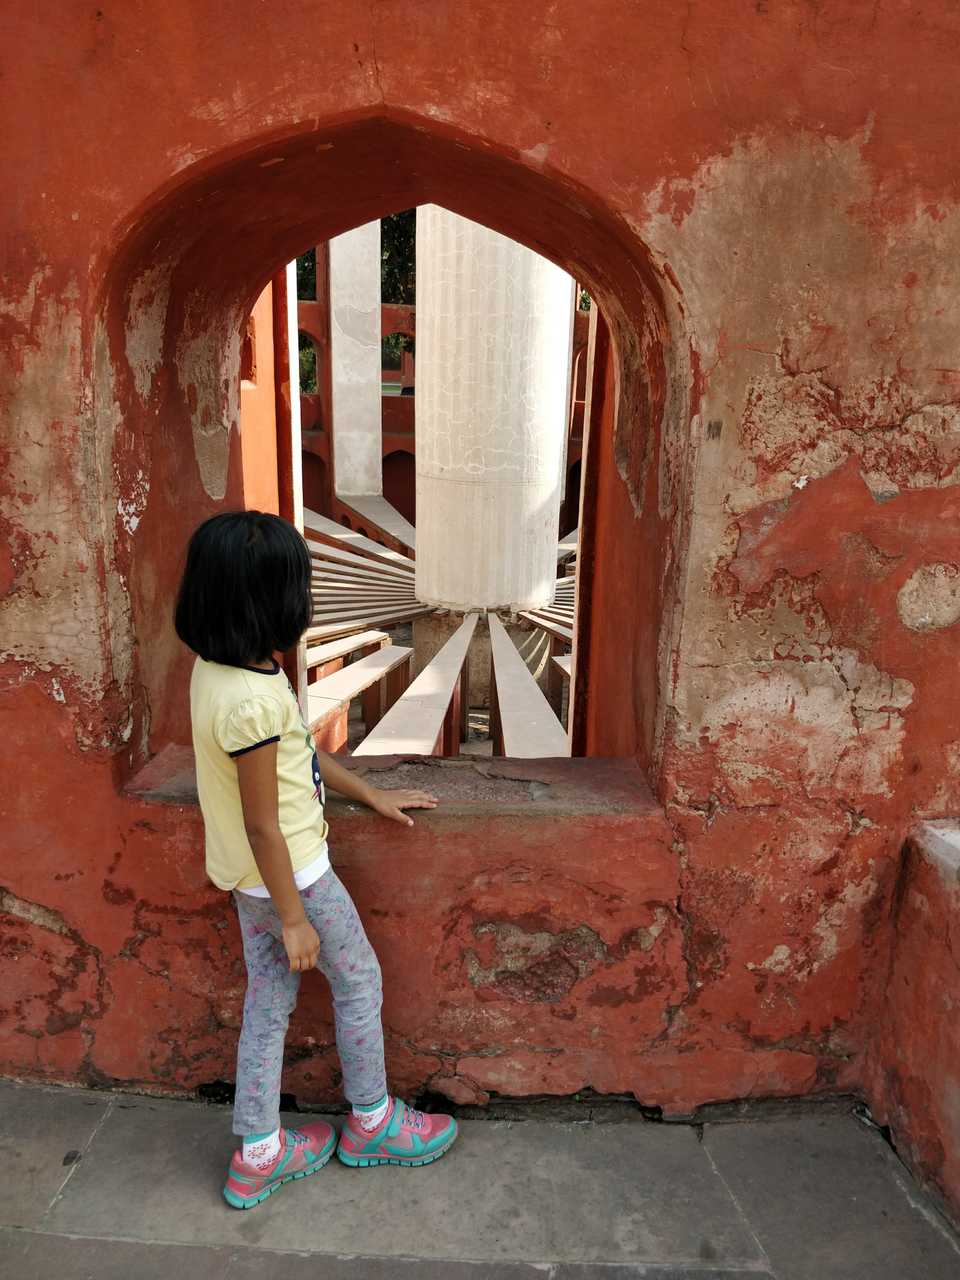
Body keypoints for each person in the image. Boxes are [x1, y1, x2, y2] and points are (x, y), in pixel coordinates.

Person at [175, 510, 458, 1210]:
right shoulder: (250, 703)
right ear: (277, 604)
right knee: (358, 981)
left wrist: (367, 790)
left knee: (269, 1001)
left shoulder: (221, 672)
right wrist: (298, 918)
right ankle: (372, 1123)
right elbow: (264, 823)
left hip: (249, 883)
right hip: (292, 879)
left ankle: (259, 1152)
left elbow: (299, 751)